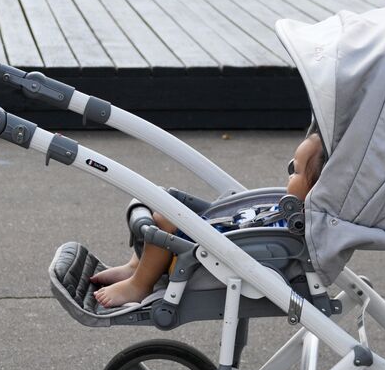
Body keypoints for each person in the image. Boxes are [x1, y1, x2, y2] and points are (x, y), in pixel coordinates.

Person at [92, 130, 326, 308]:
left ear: (319, 188)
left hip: (203, 256)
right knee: (163, 200)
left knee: (164, 220)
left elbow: (261, 243)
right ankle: (136, 267)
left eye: (295, 171)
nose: (288, 176)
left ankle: (139, 285)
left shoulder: (293, 225)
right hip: (216, 238)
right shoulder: (290, 210)